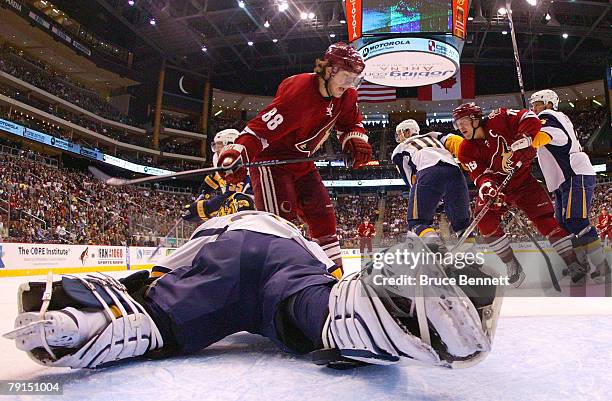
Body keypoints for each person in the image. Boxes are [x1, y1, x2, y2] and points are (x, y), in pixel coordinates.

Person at [4, 209, 502, 371]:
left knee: (157, 321)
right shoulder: (296, 231)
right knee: (321, 308)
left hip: (219, 252)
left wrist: (139, 292)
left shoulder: (209, 224)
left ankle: (86, 320)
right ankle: (385, 305)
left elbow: (156, 275)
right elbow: (325, 271)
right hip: (286, 256)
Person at [216, 42, 373, 279]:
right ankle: (278, 282)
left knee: (324, 221)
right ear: (330, 70)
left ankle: (334, 278)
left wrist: (354, 139)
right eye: (346, 76)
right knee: (280, 226)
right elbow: (259, 130)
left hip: (303, 161)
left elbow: (351, 123)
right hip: (272, 164)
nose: (350, 84)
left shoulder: (347, 95)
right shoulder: (299, 90)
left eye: (355, 79)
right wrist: (238, 153)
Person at [440, 103, 586, 287]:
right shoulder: (465, 150)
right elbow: (479, 175)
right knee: (484, 221)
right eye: (457, 123)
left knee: (546, 220)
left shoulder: (499, 118)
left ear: (475, 119)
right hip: (499, 188)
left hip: (524, 182)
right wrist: (488, 188)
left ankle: (572, 262)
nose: (460, 127)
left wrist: (525, 137)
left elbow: (529, 117)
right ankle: (511, 264)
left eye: (463, 121)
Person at [528, 89, 610, 281]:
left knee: (575, 220)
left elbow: (541, 137)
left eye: (537, 104)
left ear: (548, 104)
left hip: (575, 174)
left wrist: (525, 138)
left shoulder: (549, 116)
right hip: (565, 178)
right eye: (533, 105)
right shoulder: (552, 118)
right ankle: (581, 264)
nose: (534, 108)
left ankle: (601, 265)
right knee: (563, 224)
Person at [391, 119, 471, 251]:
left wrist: (433, 200)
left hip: (428, 172)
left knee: (416, 223)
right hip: (456, 172)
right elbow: (452, 139)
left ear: (407, 131)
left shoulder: (399, 149)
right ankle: (472, 257)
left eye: (399, 133)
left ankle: (439, 251)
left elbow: (411, 180)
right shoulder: (433, 135)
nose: (398, 137)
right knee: (462, 225)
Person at [182, 129, 254, 223]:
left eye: (220, 145)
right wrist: (203, 194)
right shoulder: (219, 159)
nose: (216, 149)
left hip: (250, 211)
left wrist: (202, 208)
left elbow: (232, 196)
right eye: (215, 145)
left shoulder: (241, 166)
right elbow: (215, 179)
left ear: (230, 144)